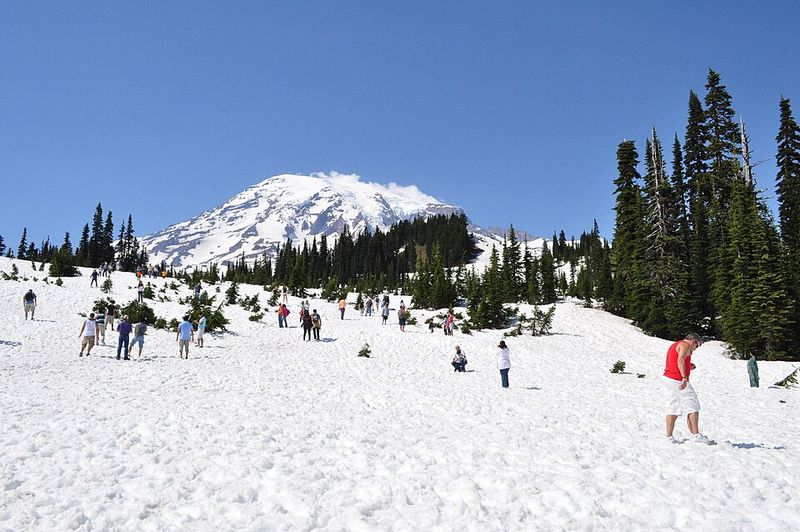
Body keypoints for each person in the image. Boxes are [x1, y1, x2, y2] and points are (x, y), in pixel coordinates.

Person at [663, 333, 710, 444]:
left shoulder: (676, 345)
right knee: (693, 405)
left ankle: (669, 437)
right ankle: (696, 435)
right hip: (678, 380)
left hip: (669, 379)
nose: (695, 349)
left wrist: (689, 366)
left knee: (673, 406)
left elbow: (678, 361)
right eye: (697, 346)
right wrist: (684, 377)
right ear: (693, 341)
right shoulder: (685, 345)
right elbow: (680, 360)